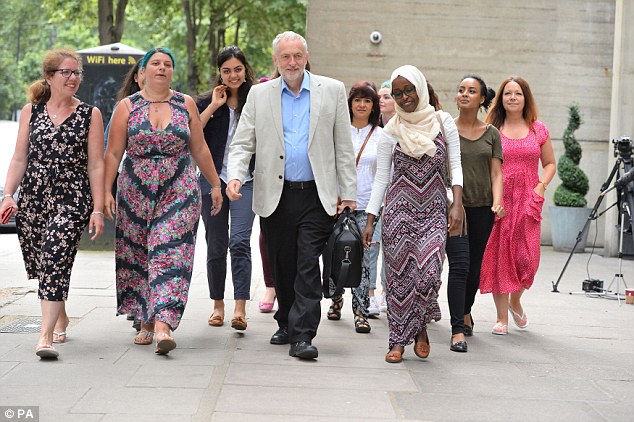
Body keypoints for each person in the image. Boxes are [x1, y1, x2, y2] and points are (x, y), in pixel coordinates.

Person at [226, 31, 357, 360]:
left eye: (297, 55)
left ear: (306, 56)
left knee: (307, 263)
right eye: (285, 57)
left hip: (316, 195)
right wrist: (236, 175)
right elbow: (243, 142)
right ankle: (285, 320)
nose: (292, 62)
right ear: (276, 60)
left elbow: (344, 145)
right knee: (282, 263)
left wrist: (348, 193)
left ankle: (303, 335)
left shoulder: (332, 91)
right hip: (276, 194)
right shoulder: (259, 95)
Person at [104, 47, 223, 355]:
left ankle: (163, 324)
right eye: (154, 63)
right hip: (135, 192)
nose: (161, 68)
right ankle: (144, 317)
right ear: (142, 72)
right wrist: (104, 192)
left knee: (171, 251)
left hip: (179, 188)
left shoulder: (186, 104)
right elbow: (114, 153)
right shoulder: (126, 107)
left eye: (167, 64)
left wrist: (215, 185)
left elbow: (199, 149)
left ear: (173, 71)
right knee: (140, 253)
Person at [0, 48, 105, 359]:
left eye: (76, 73)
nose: (73, 78)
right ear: (49, 76)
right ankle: (60, 314)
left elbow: (96, 165)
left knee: (54, 256)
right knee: (42, 264)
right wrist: (8, 194)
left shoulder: (90, 115)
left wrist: (97, 209)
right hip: (33, 197)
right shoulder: (31, 111)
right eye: (66, 73)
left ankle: (43, 336)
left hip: (72, 199)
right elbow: (20, 157)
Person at [362, 65, 463, 363]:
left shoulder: (443, 122)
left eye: (409, 90)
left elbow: (455, 166)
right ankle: (398, 341)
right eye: (398, 93)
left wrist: (456, 203)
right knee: (399, 278)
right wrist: (371, 220)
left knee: (429, 274)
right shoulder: (390, 131)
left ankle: (419, 325)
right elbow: (381, 178)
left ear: (420, 88)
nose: (404, 97)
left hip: (434, 210)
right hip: (397, 213)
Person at [481, 76, 556, 335]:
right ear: (501, 98)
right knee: (501, 256)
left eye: (518, 93)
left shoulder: (538, 129)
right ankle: (502, 318)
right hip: (500, 199)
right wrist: (493, 198)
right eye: (508, 93)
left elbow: (550, 164)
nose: (513, 97)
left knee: (528, 259)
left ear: (526, 98)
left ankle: (516, 300)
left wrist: (540, 187)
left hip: (529, 198)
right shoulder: (491, 128)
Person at [196, 46, 256, 331]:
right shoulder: (208, 101)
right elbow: (191, 131)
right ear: (219, 73)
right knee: (216, 244)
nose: (233, 75)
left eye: (237, 69)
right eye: (226, 70)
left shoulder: (256, 99)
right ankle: (218, 305)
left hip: (247, 180)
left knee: (240, 241)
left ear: (246, 70)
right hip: (212, 181)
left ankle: (240, 307)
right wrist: (214, 105)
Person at [326, 82, 382, 333]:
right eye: (357, 100)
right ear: (349, 103)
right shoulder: (339, 131)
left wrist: (376, 208)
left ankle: (361, 311)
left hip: (367, 205)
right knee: (334, 254)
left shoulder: (381, 135)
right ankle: (336, 299)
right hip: (337, 204)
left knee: (365, 258)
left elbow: (383, 174)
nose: (362, 104)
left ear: (373, 106)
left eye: (367, 100)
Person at [452, 75, 503, 345]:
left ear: (482, 98)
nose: (464, 94)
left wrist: (498, 201)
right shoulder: (446, 128)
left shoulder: (491, 133)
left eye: (471, 91)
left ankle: (465, 309)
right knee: (458, 266)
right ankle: (457, 319)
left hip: (483, 208)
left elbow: (496, 173)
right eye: (461, 90)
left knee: (473, 267)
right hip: (453, 209)